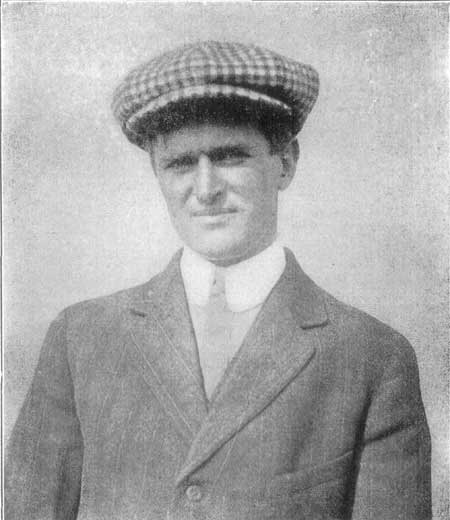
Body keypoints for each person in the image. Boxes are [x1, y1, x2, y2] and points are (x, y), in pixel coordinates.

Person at [6, 41, 431, 520]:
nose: (206, 189)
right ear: (157, 173)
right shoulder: (80, 339)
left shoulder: (373, 358)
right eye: (180, 163)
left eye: (230, 156)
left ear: (285, 162)